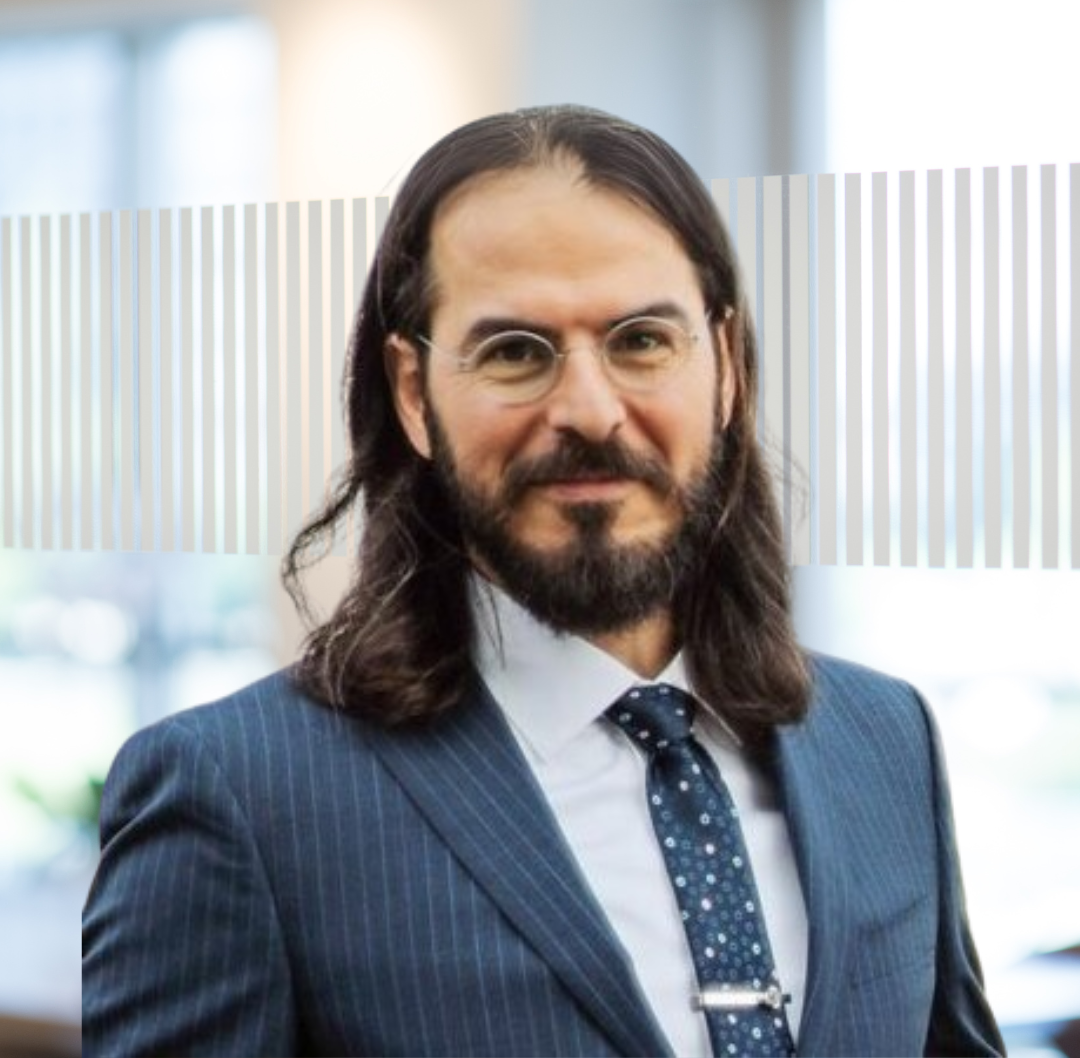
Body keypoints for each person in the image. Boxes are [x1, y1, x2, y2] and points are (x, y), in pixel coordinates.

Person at [82, 105, 1003, 1057]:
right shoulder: (241, 794)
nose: (591, 411)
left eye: (643, 339)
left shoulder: (884, 740)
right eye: (515, 352)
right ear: (413, 394)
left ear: (724, 366)